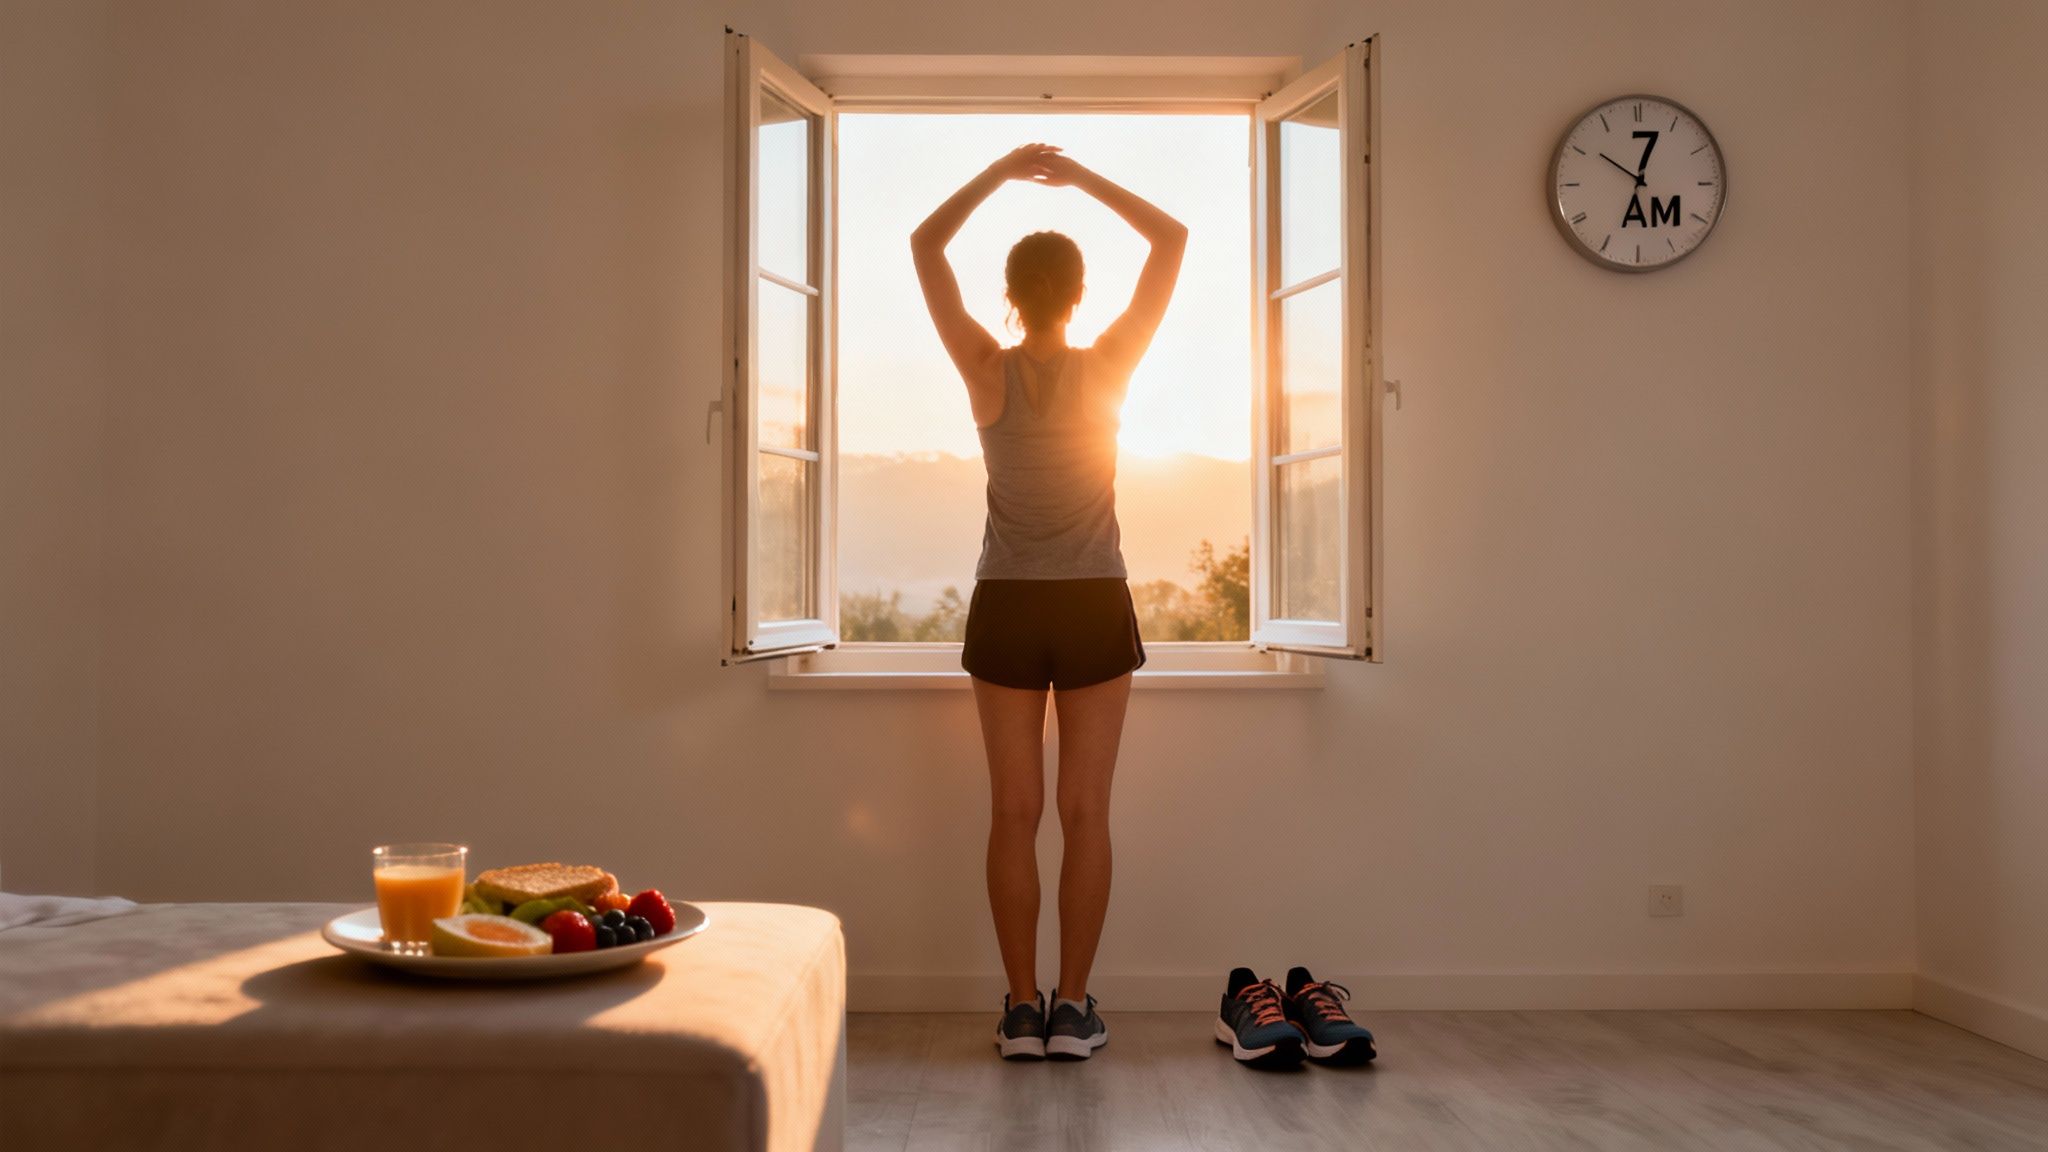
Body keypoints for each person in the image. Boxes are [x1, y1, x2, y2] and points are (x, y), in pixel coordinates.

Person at [909, 143, 1187, 1061]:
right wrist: (1082, 178)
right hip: (1093, 601)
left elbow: (924, 246)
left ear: (1010, 295)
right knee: (1085, 814)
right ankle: (1073, 1010)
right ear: (1076, 296)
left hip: (1008, 606)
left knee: (1012, 814)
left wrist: (999, 173)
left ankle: (1021, 1012)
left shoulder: (986, 369)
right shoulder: (1108, 363)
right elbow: (1171, 239)